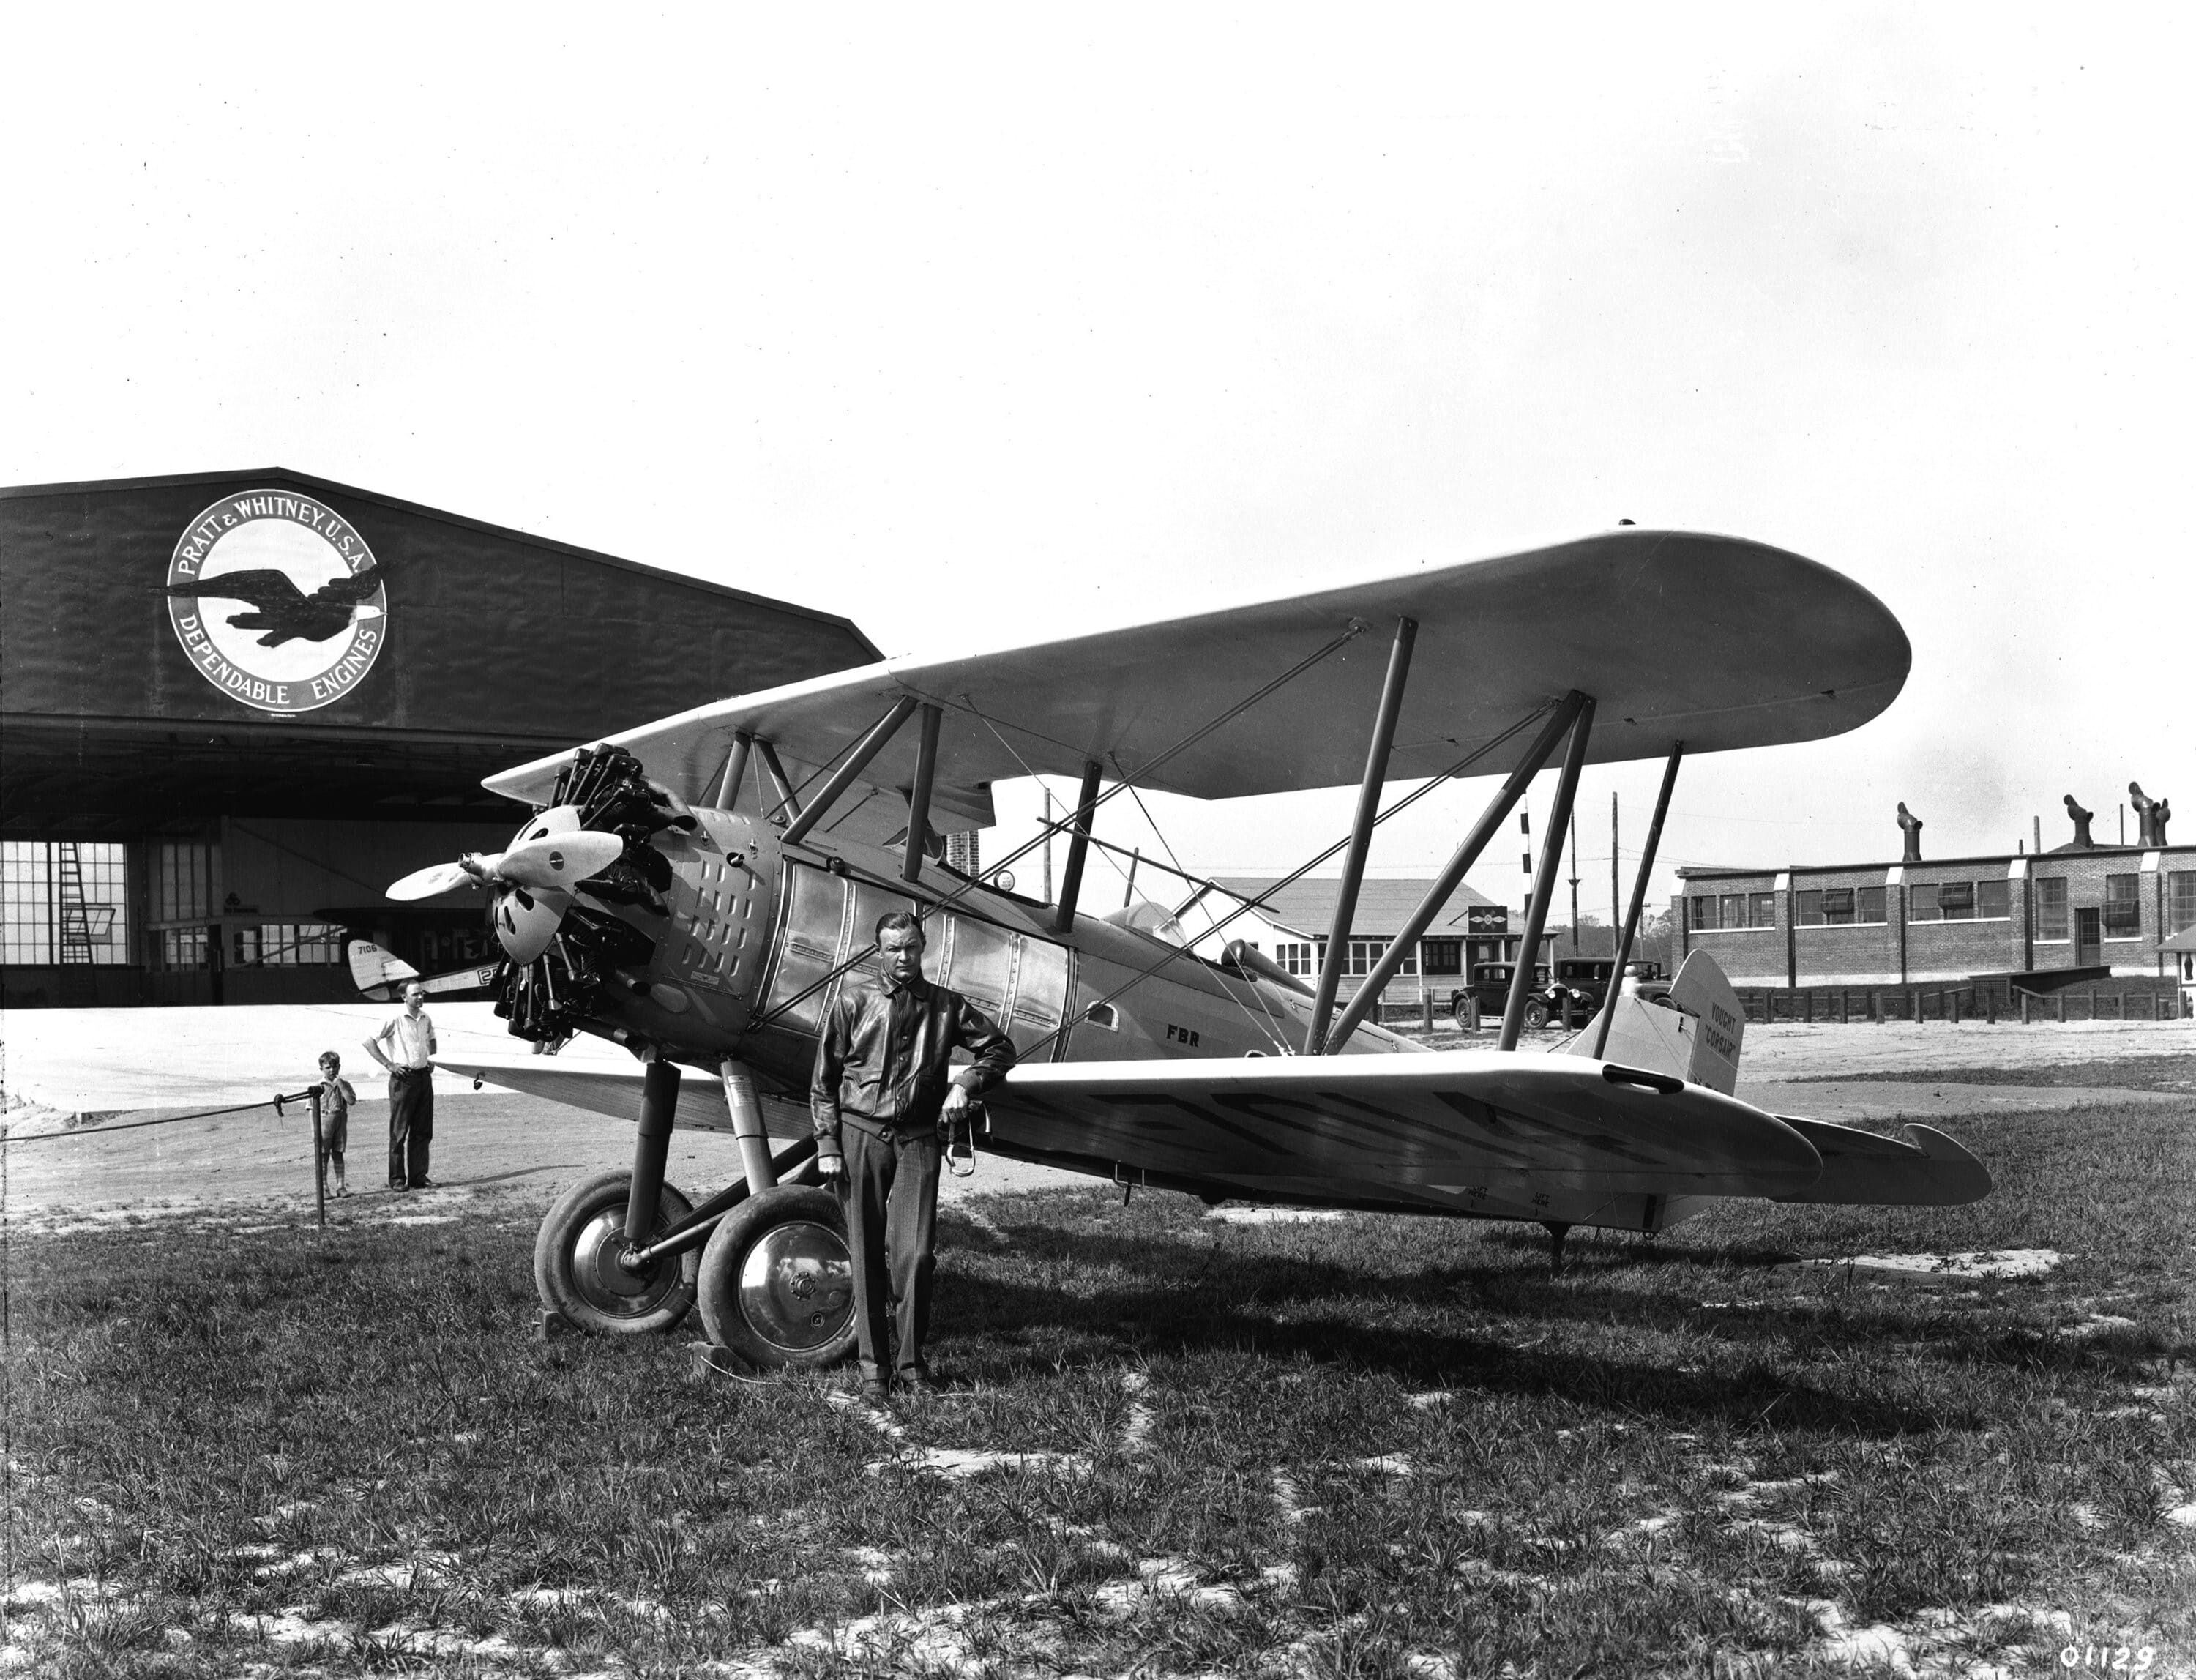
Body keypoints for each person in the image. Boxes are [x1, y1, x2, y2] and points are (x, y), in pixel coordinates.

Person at [810, 912, 1015, 1404]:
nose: (902, 957)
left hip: (918, 1139)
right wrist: (828, 1145)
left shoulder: (945, 1006)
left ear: (923, 947)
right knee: (865, 1256)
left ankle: (911, 1363)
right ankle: (873, 1371)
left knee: (915, 1255)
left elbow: (1000, 1049)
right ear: (878, 950)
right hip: (861, 1136)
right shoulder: (853, 1001)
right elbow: (823, 1081)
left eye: (911, 947)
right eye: (892, 948)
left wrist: (964, 1084)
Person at [365, 982, 436, 1190]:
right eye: (415, 994)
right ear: (404, 997)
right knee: (399, 1132)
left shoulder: (426, 1018)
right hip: (403, 1079)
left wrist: (432, 1059)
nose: (420, 997)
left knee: (423, 1131)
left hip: (424, 1079)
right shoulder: (394, 1018)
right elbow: (369, 1041)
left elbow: (432, 1039)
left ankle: (418, 1177)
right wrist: (389, 1064)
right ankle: (397, 1179)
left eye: (421, 994)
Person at [315, 1050, 357, 1198]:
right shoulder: (318, 1087)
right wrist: (315, 1130)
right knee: (323, 1155)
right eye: (328, 1067)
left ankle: (341, 1187)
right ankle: (324, 1188)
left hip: (340, 1121)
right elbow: (311, 1110)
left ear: (339, 1067)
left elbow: (351, 1101)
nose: (332, 1070)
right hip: (324, 1123)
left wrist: (341, 1085)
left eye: (334, 1067)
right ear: (322, 1069)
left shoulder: (345, 1084)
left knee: (338, 1154)